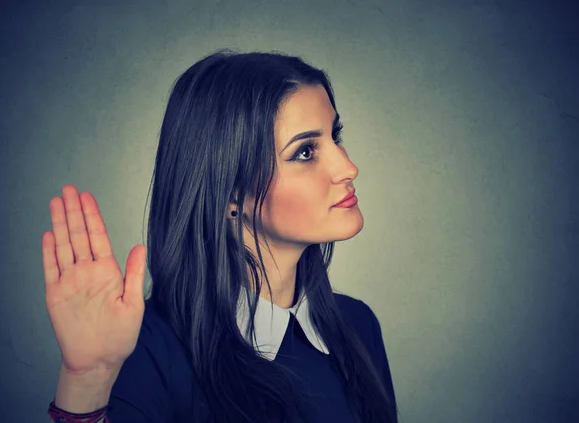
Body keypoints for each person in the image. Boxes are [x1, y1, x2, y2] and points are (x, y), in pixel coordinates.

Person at [42, 49, 398, 423]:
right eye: (306, 151)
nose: (348, 167)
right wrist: (87, 383)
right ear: (229, 192)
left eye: (334, 136)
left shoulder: (358, 325)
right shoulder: (144, 347)